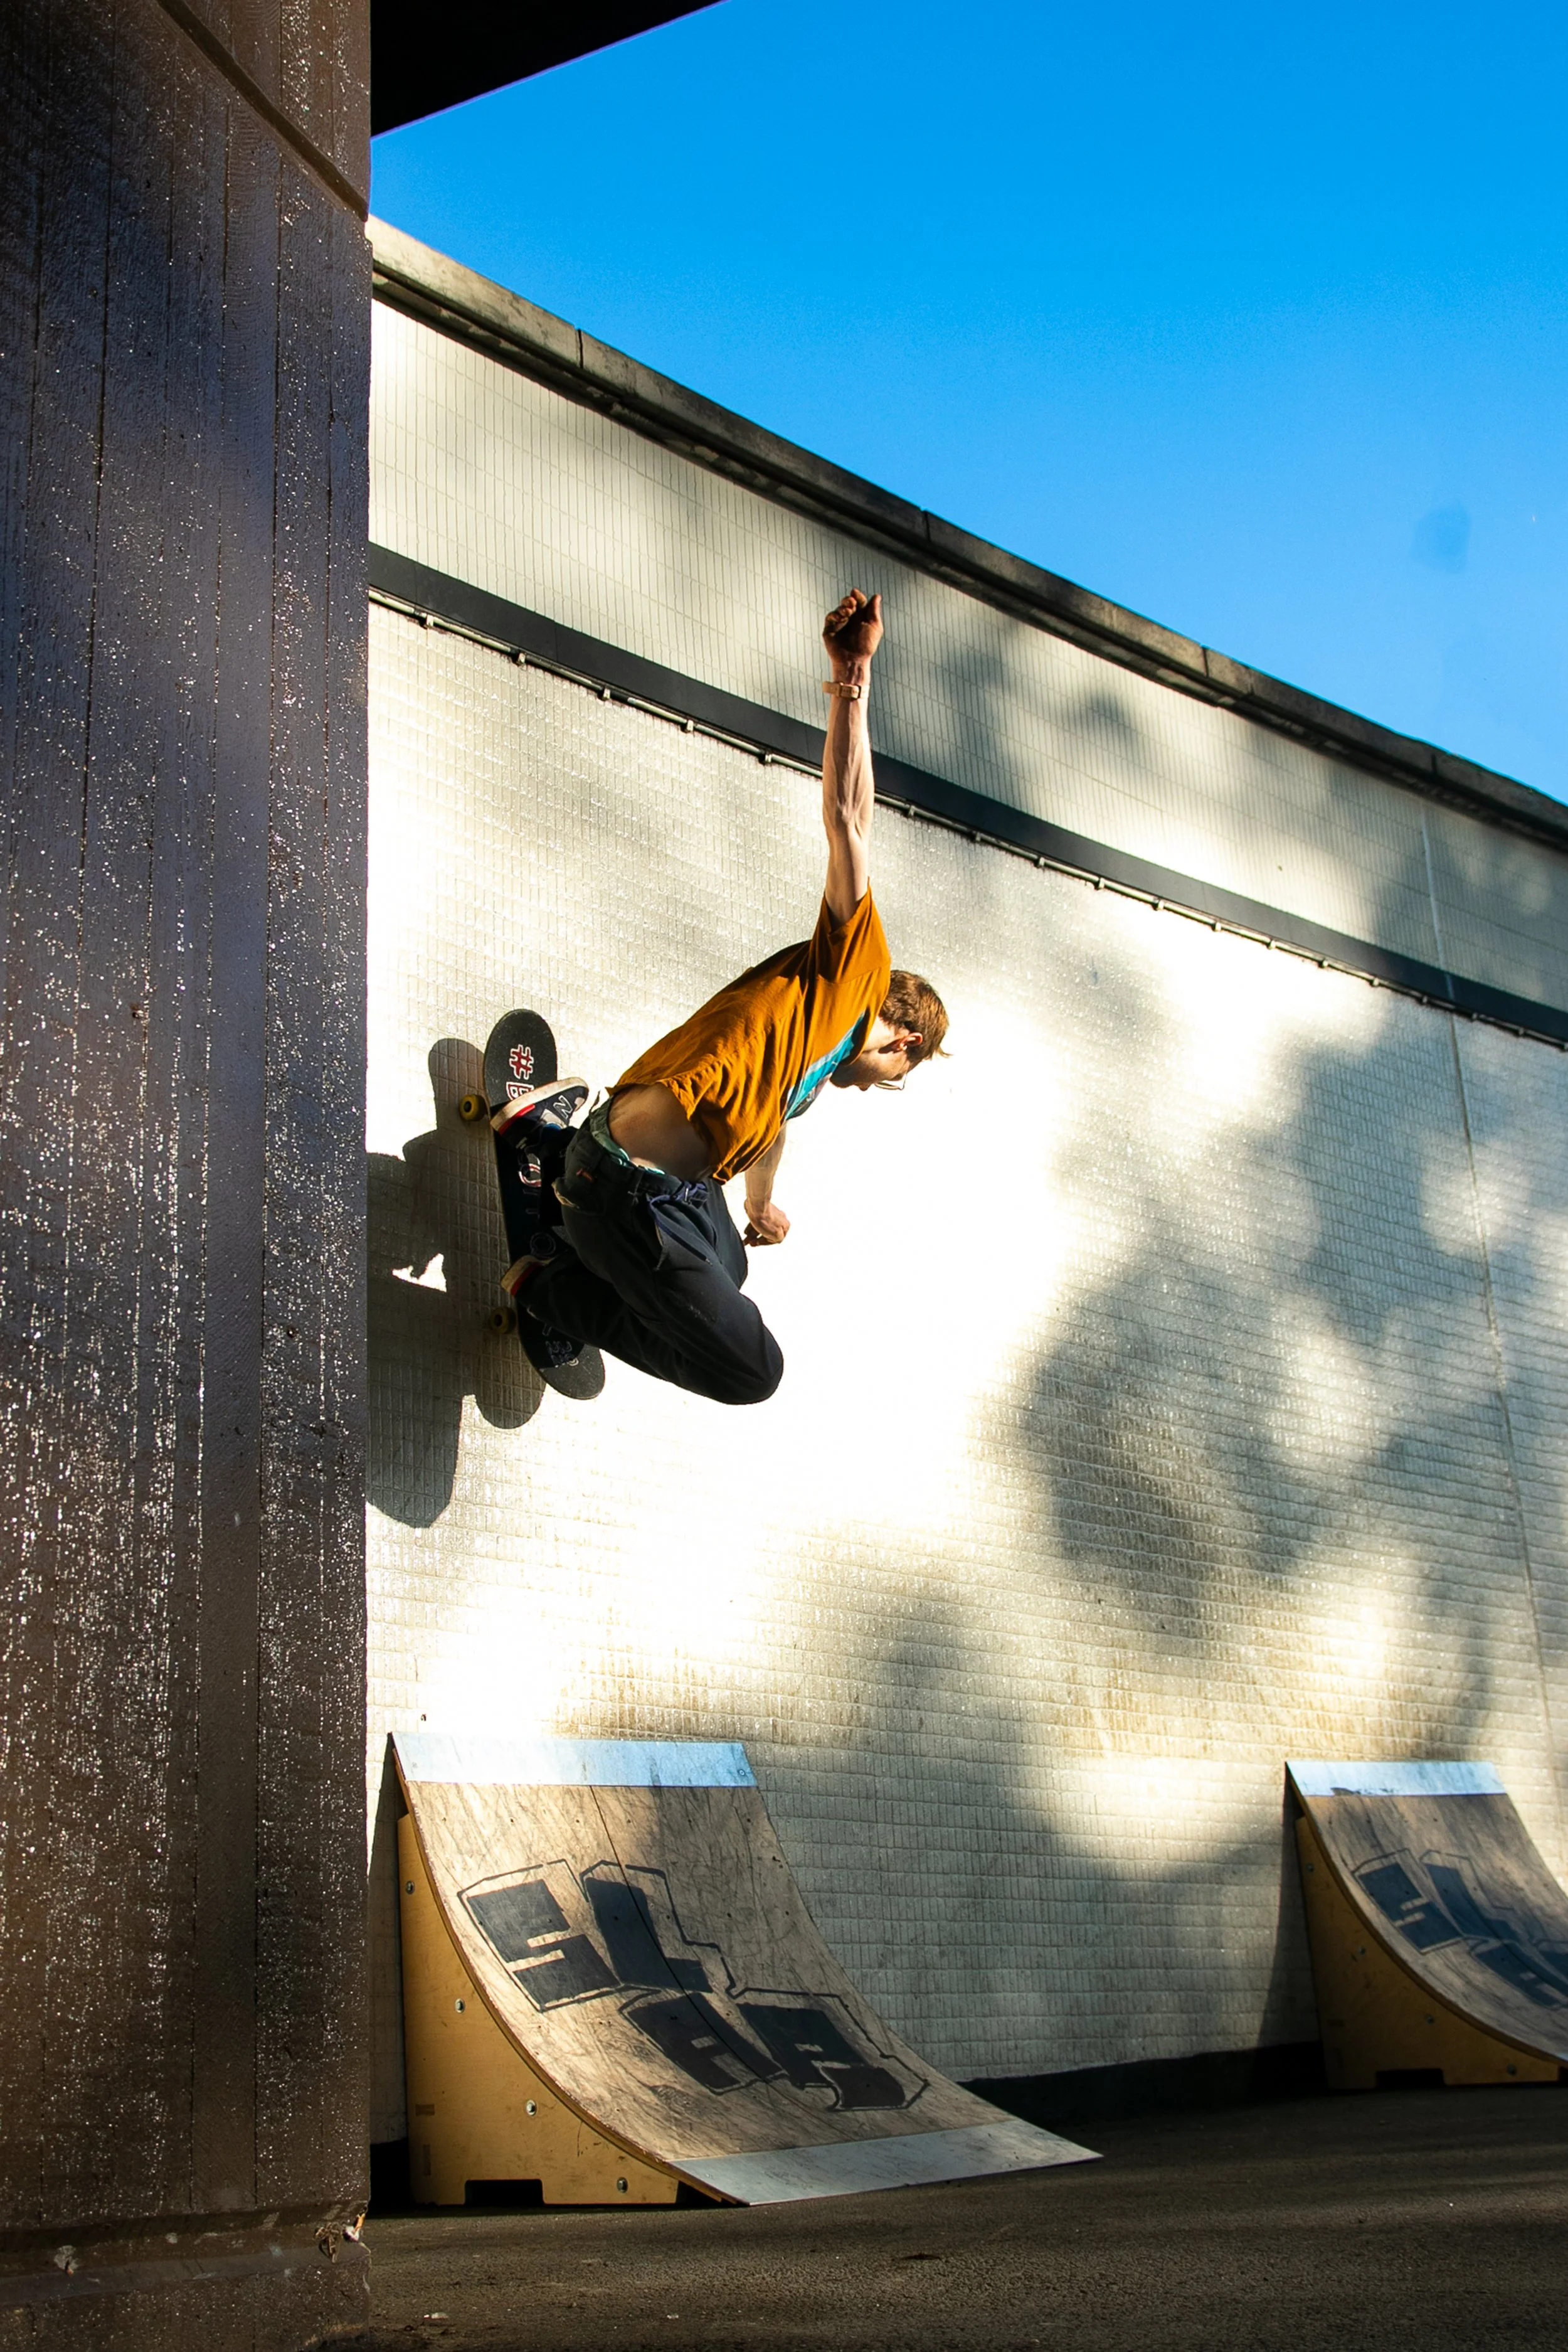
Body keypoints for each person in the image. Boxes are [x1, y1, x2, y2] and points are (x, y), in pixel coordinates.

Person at [497, 589, 948, 1403]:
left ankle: (583, 1219)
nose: (885, 1087)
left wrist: (764, 1203)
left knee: (733, 1265)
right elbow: (850, 819)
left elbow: (771, 1126)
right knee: (750, 1372)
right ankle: (548, 1286)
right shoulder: (852, 970)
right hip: (623, 1187)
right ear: (906, 1042)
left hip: (657, 1187)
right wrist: (852, 676)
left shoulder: (807, 1062)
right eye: (900, 1079)